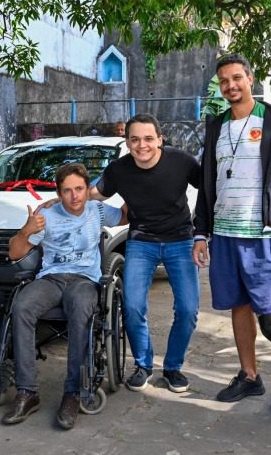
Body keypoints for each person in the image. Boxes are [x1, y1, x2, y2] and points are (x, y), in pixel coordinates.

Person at [192, 53, 271, 417]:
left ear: (250, 79)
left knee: (269, 312)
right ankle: (250, 375)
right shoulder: (215, 125)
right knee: (237, 305)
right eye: (224, 81)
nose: (230, 86)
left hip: (263, 234)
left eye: (236, 78)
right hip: (224, 233)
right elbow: (208, 183)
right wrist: (201, 232)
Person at [1, 163, 126, 430]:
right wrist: (26, 230)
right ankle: (27, 391)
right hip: (51, 278)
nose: (75, 196)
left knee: (81, 308)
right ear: (59, 193)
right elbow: (13, 253)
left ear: (86, 189)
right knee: (21, 306)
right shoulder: (45, 215)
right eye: (67, 191)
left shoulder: (98, 210)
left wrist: (133, 183)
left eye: (79, 189)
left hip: (84, 280)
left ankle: (72, 393)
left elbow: (127, 215)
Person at [90, 114, 201, 394]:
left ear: (159, 140)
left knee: (188, 310)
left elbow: (210, 189)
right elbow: (92, 195)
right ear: (127, 142)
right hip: (141, 241)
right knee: (133, 307)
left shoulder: (182, 162)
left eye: (149, 138)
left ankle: (173, 367)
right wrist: (58, 200)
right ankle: (143, 365)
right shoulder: (119, 169)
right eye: (135, 139)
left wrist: (204, 233)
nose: (142, 145)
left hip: (181, 240)